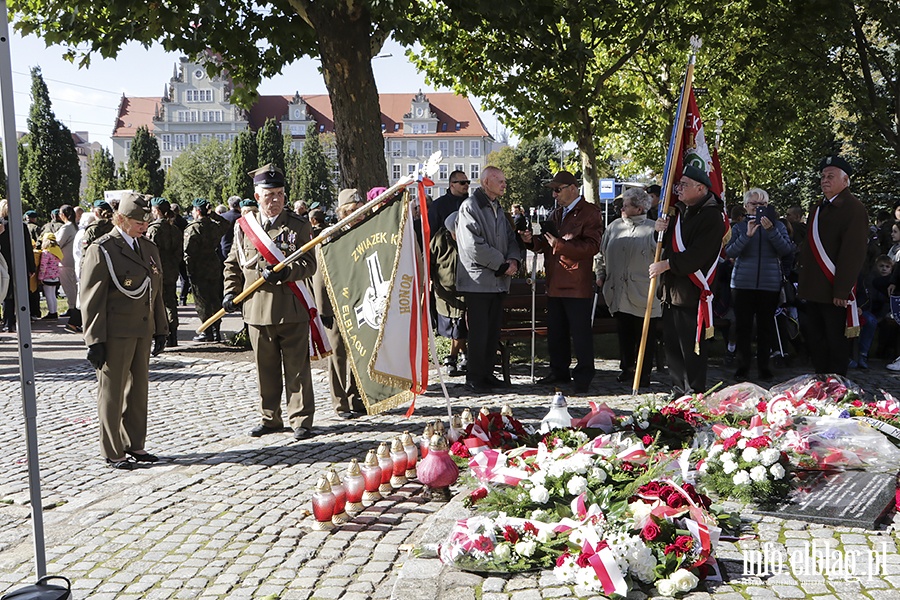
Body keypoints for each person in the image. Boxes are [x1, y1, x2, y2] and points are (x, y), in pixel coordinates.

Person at [223, 164, 319, 440]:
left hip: (291, 307)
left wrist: (288, 271)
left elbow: (309, 264)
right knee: (265, 369)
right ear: (257, 197)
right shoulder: (244, 228)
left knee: (297, 369)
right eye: (269, 195)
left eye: (280, 194)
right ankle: (270, 418)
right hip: (256, 309)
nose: (275, 200)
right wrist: (230, 292)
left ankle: (301, 419)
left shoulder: (298, 225)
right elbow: (233, 263)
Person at [80, 193, 168, 469]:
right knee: (112, 391)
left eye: (146, 221)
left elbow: (157, 292)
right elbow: (91, 298)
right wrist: (94, 339)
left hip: (142, 328)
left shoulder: (149, 248)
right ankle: (113, 450)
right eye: (137, 222)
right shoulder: (103, 248)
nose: (143, 226)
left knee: (139, 389)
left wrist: (162, 328)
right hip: (115, 331)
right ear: (121, 219)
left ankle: (135, 445)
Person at [521, 171, 602, 393]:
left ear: (573, 189)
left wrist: (560, 245)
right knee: (556, 332)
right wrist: (531, 241)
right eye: (553, 190)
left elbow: (592, 247)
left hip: (576, 283)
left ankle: (584, 374)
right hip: (556, 281)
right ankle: (559, 371)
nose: (554, 194)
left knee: (580, 333)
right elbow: (546, 244)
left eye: (558, 189)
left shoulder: (590, 213)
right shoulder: (557, 214)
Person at [649, 165, 726, 394]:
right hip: (672, 291)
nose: (678, 189)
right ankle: (677, 390)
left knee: (691, 348)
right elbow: (667, 244)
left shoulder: (712, 217)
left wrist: (667, 265)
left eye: (684, 185)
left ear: (700, 188)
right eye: (678, 184)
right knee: (672, 346)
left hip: (692, 291)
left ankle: (693, 392)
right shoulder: (681, 212)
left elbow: (698, 255)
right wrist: (659, 230)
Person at [797, 156, 868, 376]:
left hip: (833, 289)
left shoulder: (854, 208)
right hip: (814, 288)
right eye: (823, 176)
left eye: (831, 176)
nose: (824, 180)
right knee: (816, 339)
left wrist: (841, 289)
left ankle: (837, 384)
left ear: (845, 181)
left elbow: (852, 253)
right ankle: (821, 381)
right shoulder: (818, 207)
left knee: (835, 341)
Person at [455, 166, 521, 392]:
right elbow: (472, 246)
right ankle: (474, 377)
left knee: (492, 332)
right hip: (478, 282)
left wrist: (513, 260)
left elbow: (511, 238)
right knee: (479, 332)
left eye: (504, 180)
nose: (504, 184)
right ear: (486, 182)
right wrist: (502, 264)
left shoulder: (498, 209)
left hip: (498, 282)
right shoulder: (470, 207)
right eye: (500, 181)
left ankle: (487, 374)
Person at [724, 188, 795, 382]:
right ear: (746, 206)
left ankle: (764, 367)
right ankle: (742, 366)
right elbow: (730, 252)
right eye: (754, 204)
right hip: (742, 283)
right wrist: (746, 235)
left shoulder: (778, 226)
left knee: (766, 328)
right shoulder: (738, 227)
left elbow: (786, 249)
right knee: (743, 327)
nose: (758, 208)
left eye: (762, 205)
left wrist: (771, 231)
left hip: (769, 284)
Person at [595, 187, 659, 388]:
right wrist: (600, 274)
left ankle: (644, 371)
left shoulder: (653, 229)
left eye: (627, 204)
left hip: (643, 291)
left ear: (639, 208)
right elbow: (601, 254)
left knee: (645, 335)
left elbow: (661, 254)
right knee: (624, 332)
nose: (622, 207)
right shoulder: (614, 227)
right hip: (618, 291)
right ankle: (627, 368)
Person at [312, 189, 365, 419]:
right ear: (342, 212)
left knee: (358, 353)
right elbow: (320, 276)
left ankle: (356, 397)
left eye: (360, 210)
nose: (358, 215)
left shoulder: (365, 232)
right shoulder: (330, 236)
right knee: (338, 356)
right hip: (335, 304)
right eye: (352, 211)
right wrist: (323, 309)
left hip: (360, 302)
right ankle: (340, 403)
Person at [183, 198, 228, 342]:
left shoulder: (193, 228)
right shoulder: (214, 226)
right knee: (215, 298)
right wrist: (212, 215)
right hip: (213, 264)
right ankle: (216, 330)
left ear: (197, 211)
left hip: (199, 267)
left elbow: (188, 252)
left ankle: (206, 330)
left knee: (202, 301)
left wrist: (189, 272)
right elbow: (225, 224)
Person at [430, 211, 467, 376]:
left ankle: (451, 357)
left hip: (465, 292)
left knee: (459, 327)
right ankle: (465, 355)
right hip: (445, 293)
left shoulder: (468, 238)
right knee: (453, 327)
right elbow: (429, 260)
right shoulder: (439, 239)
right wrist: (431, 280)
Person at [146, 198, 183, 347]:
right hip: (171, 270)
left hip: (157, 271)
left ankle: (162, 334)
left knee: (157, 303)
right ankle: (173, 335)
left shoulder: (154, 229)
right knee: (171, 302)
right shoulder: (174, 229)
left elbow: (150, 253)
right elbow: (179, 252)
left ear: (157, 211)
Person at [0, 200, 37, 333]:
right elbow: (28, 248)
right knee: (21, 292)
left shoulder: (1, 226)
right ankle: (22, 320)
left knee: (6, 294)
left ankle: (8, 322)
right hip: (20, 262)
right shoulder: (21, 226)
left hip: (4, 263)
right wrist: (31, 267)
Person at [428, 169, 470, 237]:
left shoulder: (471, 204)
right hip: (446, 245)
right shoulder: (438, 205)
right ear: (452, 185)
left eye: (468, 182)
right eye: (462, 183)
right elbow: (432, 230)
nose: (466, 185)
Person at [56, 205, 78, 321]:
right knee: (73, 286)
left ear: (63, 214)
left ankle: (73, 308)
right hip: (72, 261)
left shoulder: (66, 228)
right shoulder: (75, 226)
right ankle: (73, 307)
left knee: (69, 287)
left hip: (65, 261)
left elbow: (58, 242)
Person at [37, 233, 62, 320]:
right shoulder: (57, 251)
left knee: (48, 296)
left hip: (47, 277)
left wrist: (40, 277)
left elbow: (43, 266)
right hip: (55, 277)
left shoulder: (46, 253)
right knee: (53, 295)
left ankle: (51, 313)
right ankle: (54, 311)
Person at [219, 195, 242, 261]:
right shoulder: (241, 217)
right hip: (237, 250)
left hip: (222, 248)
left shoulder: (222, 217)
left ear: (229, 205)